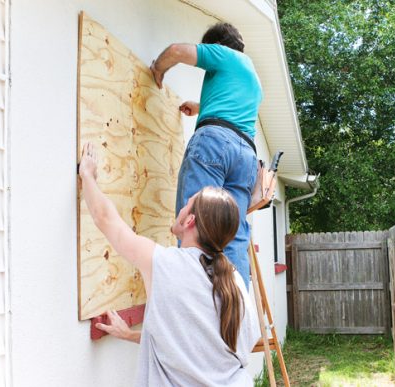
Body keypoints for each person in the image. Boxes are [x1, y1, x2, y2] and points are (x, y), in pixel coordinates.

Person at [79, 143, 259, 386]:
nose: (181, 207)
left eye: (187, 203)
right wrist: (130, 335)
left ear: (190, 220)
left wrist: (87, 176)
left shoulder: (164, 264)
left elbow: (105, 219)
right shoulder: (234, 281)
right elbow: (194, 347)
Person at [150, 22, 263, 287]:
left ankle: (192, 299)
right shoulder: (253, 78)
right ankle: (233, 310)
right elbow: (233, 111)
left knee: (195, 221)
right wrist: (201, 107)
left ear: (216, 45)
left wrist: (157, 69)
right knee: (231, 230)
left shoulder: (224, 55)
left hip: (215, 145)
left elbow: (177, 51)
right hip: (245, 155)